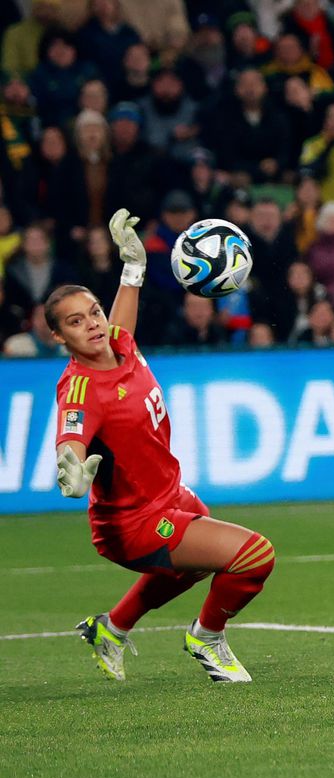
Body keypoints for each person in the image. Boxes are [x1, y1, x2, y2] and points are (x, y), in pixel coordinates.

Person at [50, 209, 274, 683]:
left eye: (93, 312)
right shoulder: (80, 390)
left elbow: (120, 324)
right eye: (75, 322)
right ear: (58, 337)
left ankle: (111, 628)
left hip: (168, 493)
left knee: (195, 566)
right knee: (254, 556)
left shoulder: (120, 345)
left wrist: (133, 268)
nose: (92, 325)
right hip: (133, 522)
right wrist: (70, 469)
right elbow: (70, 437)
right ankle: (207, 638)